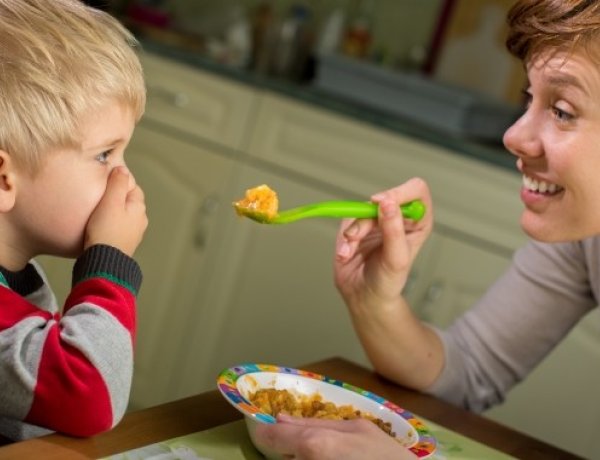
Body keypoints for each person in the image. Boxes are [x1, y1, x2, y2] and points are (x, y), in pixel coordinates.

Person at [255, 0, 600, 457]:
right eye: (529, 99)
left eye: (561, 110)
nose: (514, 136)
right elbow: (470, 370)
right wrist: (375, 301)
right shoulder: (584, 240)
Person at [0, 0, 147, 441]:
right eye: (104, 155)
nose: (124, 177)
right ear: (4, 179)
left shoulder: (19, 279)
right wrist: (109, 263)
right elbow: (89, 396)